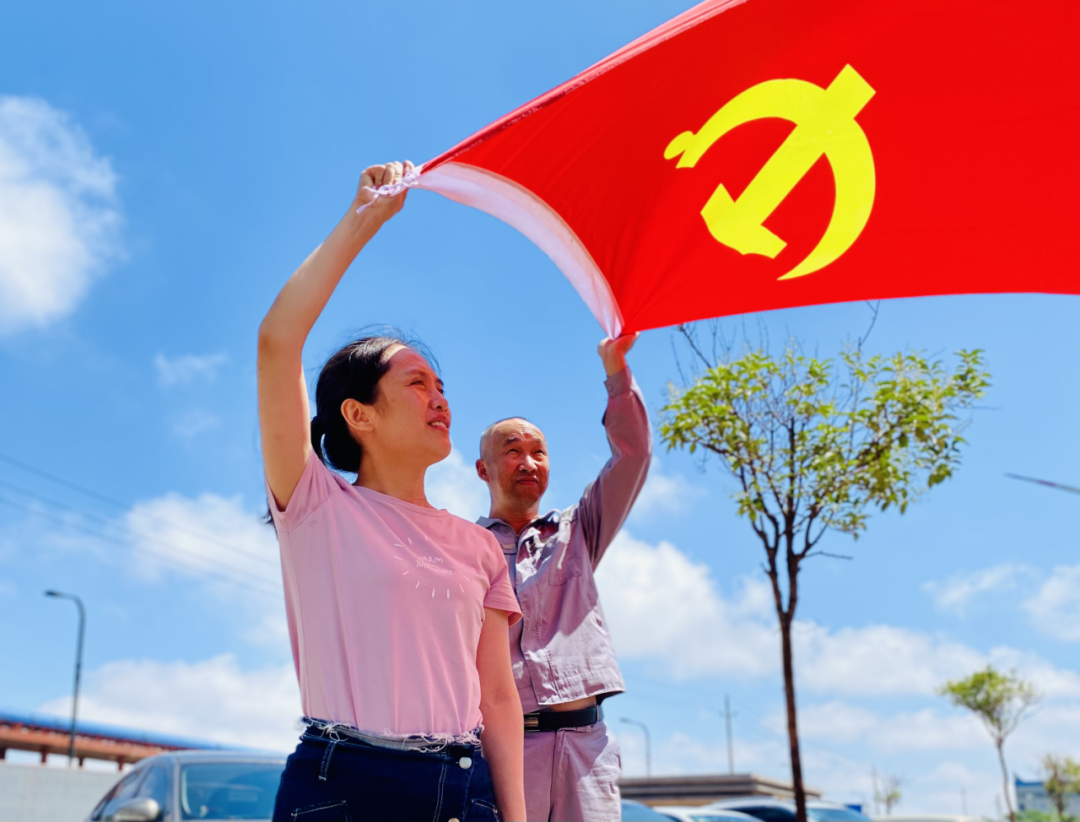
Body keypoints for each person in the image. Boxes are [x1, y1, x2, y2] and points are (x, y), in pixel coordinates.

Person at [258, 161, 526, 822]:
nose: (440, 400)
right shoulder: (315, 505)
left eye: (441, 387)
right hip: (343, 785)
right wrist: (364, 220)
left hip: (464, 788)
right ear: (359, 414)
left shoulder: (479, 548)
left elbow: (497, 697)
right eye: (416, 384)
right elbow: (277, 343)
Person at [474, 334, 651, 822]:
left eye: (539, 452)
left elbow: (633, 456)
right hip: (503, 753)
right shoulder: (465, 548)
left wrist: (616, 370)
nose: (528, 463)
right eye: (513, 451)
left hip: (585, 752)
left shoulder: (579, 531)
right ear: (483, 469)